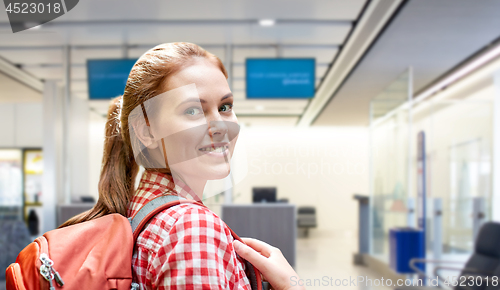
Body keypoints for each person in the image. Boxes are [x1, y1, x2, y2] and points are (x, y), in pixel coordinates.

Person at [60, 42, 304, 290]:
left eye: (225, 107)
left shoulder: (136, 208)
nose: (221, 126)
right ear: (146, 131)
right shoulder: (192, 228)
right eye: (193, 111)